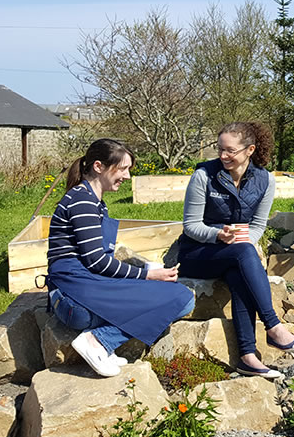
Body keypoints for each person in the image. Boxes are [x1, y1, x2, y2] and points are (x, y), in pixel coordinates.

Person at [46, 139, 194, 378]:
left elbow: (95, 260)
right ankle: (98, 341)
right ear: (98, 166)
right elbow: (97, 262)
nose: (126, 175)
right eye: (122, 168)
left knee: (171, 296)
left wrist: (146, 276)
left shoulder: (94, 201)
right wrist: (148, 274)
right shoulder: (82, 201)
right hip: (73, 295)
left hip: (84, 284)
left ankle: (101, 341)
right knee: (182, 298)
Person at [180, 122, 294, 379]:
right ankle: (273, 326)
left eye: (230, 151)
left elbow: (258, 225)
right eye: (220, 150)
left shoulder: (265, 180)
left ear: (249, 150)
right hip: (197, 254)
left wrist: (245, 240)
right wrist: (217, 234)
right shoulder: (204, 175)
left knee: (240, 273)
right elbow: (191, 225)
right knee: (244, 253)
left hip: (234, 255)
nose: (223, 156)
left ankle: (247, 357)